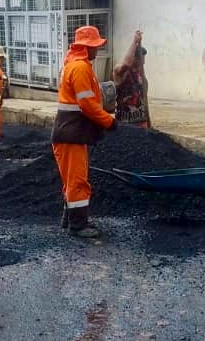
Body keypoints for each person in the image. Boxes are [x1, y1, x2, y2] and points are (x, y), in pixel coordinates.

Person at [52, 26, 117, 238]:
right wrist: (108, 121)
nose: (97, 50)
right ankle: (78, 225)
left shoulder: (74, 64)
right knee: (77, 179)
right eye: (95, 46)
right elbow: (87, 104)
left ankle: (70, 218)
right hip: (72, 132)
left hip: (70, 132)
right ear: (86, 47)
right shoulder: (79, 68)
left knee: (71, 178)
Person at [112, 30, 151, 128]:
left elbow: (145, 101)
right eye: (137, 63)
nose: (140, 66)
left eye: (142, 64)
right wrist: (135, 42)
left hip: (140, 122)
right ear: (133, 58)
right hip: (124, 123)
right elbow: (126, 64)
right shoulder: (120, 72)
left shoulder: (142, 78)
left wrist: (149, 124)